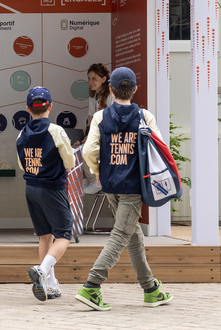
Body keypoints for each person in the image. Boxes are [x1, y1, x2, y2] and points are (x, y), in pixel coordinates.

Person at [77, 67, 173, 311]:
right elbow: (160, 149)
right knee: (122, 233)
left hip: (110, 184)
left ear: (110, 89)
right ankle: (92, 285)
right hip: (133, 185)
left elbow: (89, 151)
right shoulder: (145, 116)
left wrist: (98, 172)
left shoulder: (101, 117)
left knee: (132, 235)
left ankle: (150, 289)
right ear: (135, 90)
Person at [16, 87, 76, 302]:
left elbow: (21, 164)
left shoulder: (22, 133)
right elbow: (69, 161)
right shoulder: (56, 130)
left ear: (27, 109)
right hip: (52, 187)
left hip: (30, 187)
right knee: (63, 233)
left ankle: (50, 284)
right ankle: (42, 271)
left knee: (44, 235)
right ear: (50, 106)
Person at [85, 63, 111, 133]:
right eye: (89, 78)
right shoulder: (93, 95)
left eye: (93, 79)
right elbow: (90, 117)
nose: (90, 82)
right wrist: (87, 133)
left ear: (103, 79)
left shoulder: (111, 96)